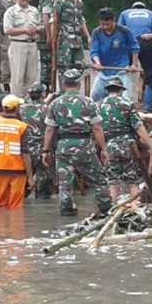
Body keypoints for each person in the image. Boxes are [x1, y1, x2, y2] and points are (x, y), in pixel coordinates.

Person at [42, 69, 111, 217]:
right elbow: (97, 127)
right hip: (84, 145)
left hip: (63, 147)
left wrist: (45, 151)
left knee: (64, 182)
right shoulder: (88, 102)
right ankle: (105, 209)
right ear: (79, 84)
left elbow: (49, 130)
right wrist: (104, 149)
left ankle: (66, 211)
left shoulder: (55, 103)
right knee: (99, 180)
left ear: (64, 84)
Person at [98, 76, 152, 202]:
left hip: (110, 146)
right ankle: (137, 209)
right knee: (132, 182)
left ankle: (111, 213)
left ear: (108, 90)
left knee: (113, 184)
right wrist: (151, 146)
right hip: (129, 147)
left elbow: (97, 129)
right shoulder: (127, 104)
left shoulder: (99, 106)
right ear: (120, 90)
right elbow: (139, 127)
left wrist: (103, 148)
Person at [0, 95, 34, 208]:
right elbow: (25, 154)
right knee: (15, 207)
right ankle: (15, 225)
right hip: (19, 171)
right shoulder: (22, 127)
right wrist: (30, 177)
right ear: (17, 108)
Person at [118, 1, 152, 112]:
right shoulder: (150, 13)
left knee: (121, 72)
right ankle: (147, 107)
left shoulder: (125, 13)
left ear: (132, 7)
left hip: (129, 42)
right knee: (150, 75)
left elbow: (118, 30)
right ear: (144, 7)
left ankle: (121, 105)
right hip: (146, 42)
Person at [89, 7, 140, 101]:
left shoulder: (124, 31)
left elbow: (134, 47)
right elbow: (94, 51)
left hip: (120, 70)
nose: (105, 27)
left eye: (107, 24)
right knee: (94, 95)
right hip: (104, 71)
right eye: (102, 24)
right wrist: (97, 62)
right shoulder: (96, 32)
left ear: (114, 20)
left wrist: (133, 64)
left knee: (123, 98)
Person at [3, 0, 42, 97]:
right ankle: (16, 102)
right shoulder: (11, 12)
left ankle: (31, 102)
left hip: (32, 45)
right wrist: (25, 30)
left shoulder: (34, 11)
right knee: (18, 77)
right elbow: (7, 30)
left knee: (32, 77)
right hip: (17, 45)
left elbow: (41, 26)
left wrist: (37, 29)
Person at [54, 0, 91, 84]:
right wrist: (53, 40)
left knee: (79, 66)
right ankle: (64, 93)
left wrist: (88, 37)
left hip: (77, 41)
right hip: (64, 41)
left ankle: (75, 91)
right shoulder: (60, 2)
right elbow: (55, 22)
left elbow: (81, 20)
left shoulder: (79, 3)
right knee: (64, 68)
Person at [21, 83, 55, 199]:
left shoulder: (22, 109)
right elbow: (52, 130)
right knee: (44, 192)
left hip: (24, 152)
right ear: (43, 94)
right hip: (42, 151)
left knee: (24, 190)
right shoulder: (48, 109)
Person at [38, 0, 66, 91]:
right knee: (47, 66)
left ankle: (50, 89)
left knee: (51, 65)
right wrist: (49, 37)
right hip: (46, 37)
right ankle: (45, 90)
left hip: (50, 35)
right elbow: (46, 18)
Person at [0, 0, 20, 92]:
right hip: (6, 35)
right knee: (6, 61)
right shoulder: (1, 1)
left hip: (20, 34)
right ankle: (6, 88)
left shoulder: (22, 0)